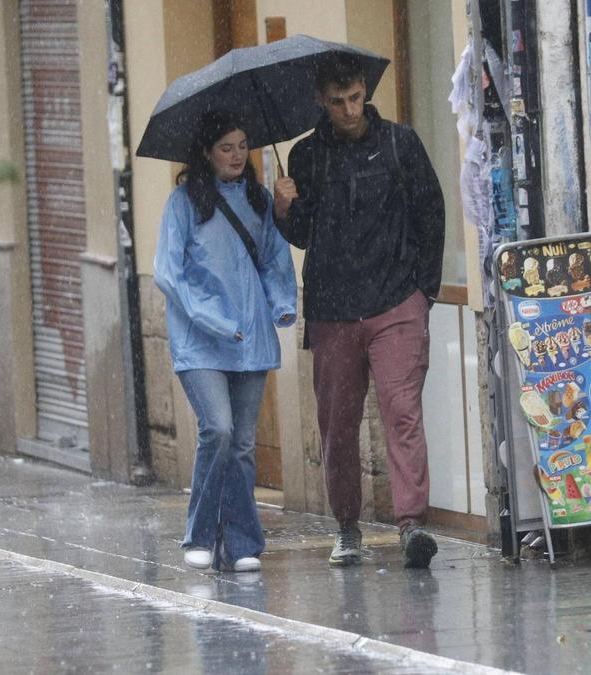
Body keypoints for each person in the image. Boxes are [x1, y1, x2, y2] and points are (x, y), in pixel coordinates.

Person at [272, 52, 445, 568]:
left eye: (354, 98)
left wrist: (424, 293)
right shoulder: (307, 156)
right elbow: (302, 234)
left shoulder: (399, 143)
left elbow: (431, 213)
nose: (349, 110)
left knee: (402, 413)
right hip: (333, 309)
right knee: (338, 424)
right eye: (336, 102)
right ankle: (347, 527)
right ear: (320, 102)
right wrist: (283, 209)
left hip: (396, 302)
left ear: (365, 92)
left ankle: (412, 524)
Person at [154, 110, 297, 573]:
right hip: (200, 340)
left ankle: (241, 543)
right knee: (217, 429)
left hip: (249, 337)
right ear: (206, 153)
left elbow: (274, 259)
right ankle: (198, 534)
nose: (237, 155)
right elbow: (168, 272)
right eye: (225, 147)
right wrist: (210, 316)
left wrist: (280, 304)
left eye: (242, 145)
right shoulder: (183, 204)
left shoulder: (257, 199)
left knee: (242, 445)